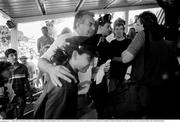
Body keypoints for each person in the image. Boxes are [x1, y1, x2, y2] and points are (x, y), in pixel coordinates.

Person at [121, 11, 180, 118]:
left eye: (138, 24)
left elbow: (126, 58)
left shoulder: (143, 34)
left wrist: (124, 52)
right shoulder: (163, 35)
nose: (135, 26)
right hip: (166, 86)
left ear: (144, 25)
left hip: (148, 87)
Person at [34, 36, 98, 119]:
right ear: (75, 55)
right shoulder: (64, 83)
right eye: (89, 58)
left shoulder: (69, 73)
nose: (92, 63)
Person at [4, 48, 31, 119]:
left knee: (20, 116)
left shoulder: (23, 67)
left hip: (21, 96)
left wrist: (30, 93)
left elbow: (26, 81)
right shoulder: (5, 69)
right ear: (7, 58)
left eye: (16, 55)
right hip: (9, 97)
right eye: (12, 55)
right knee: (9, 115)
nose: (15, 57)